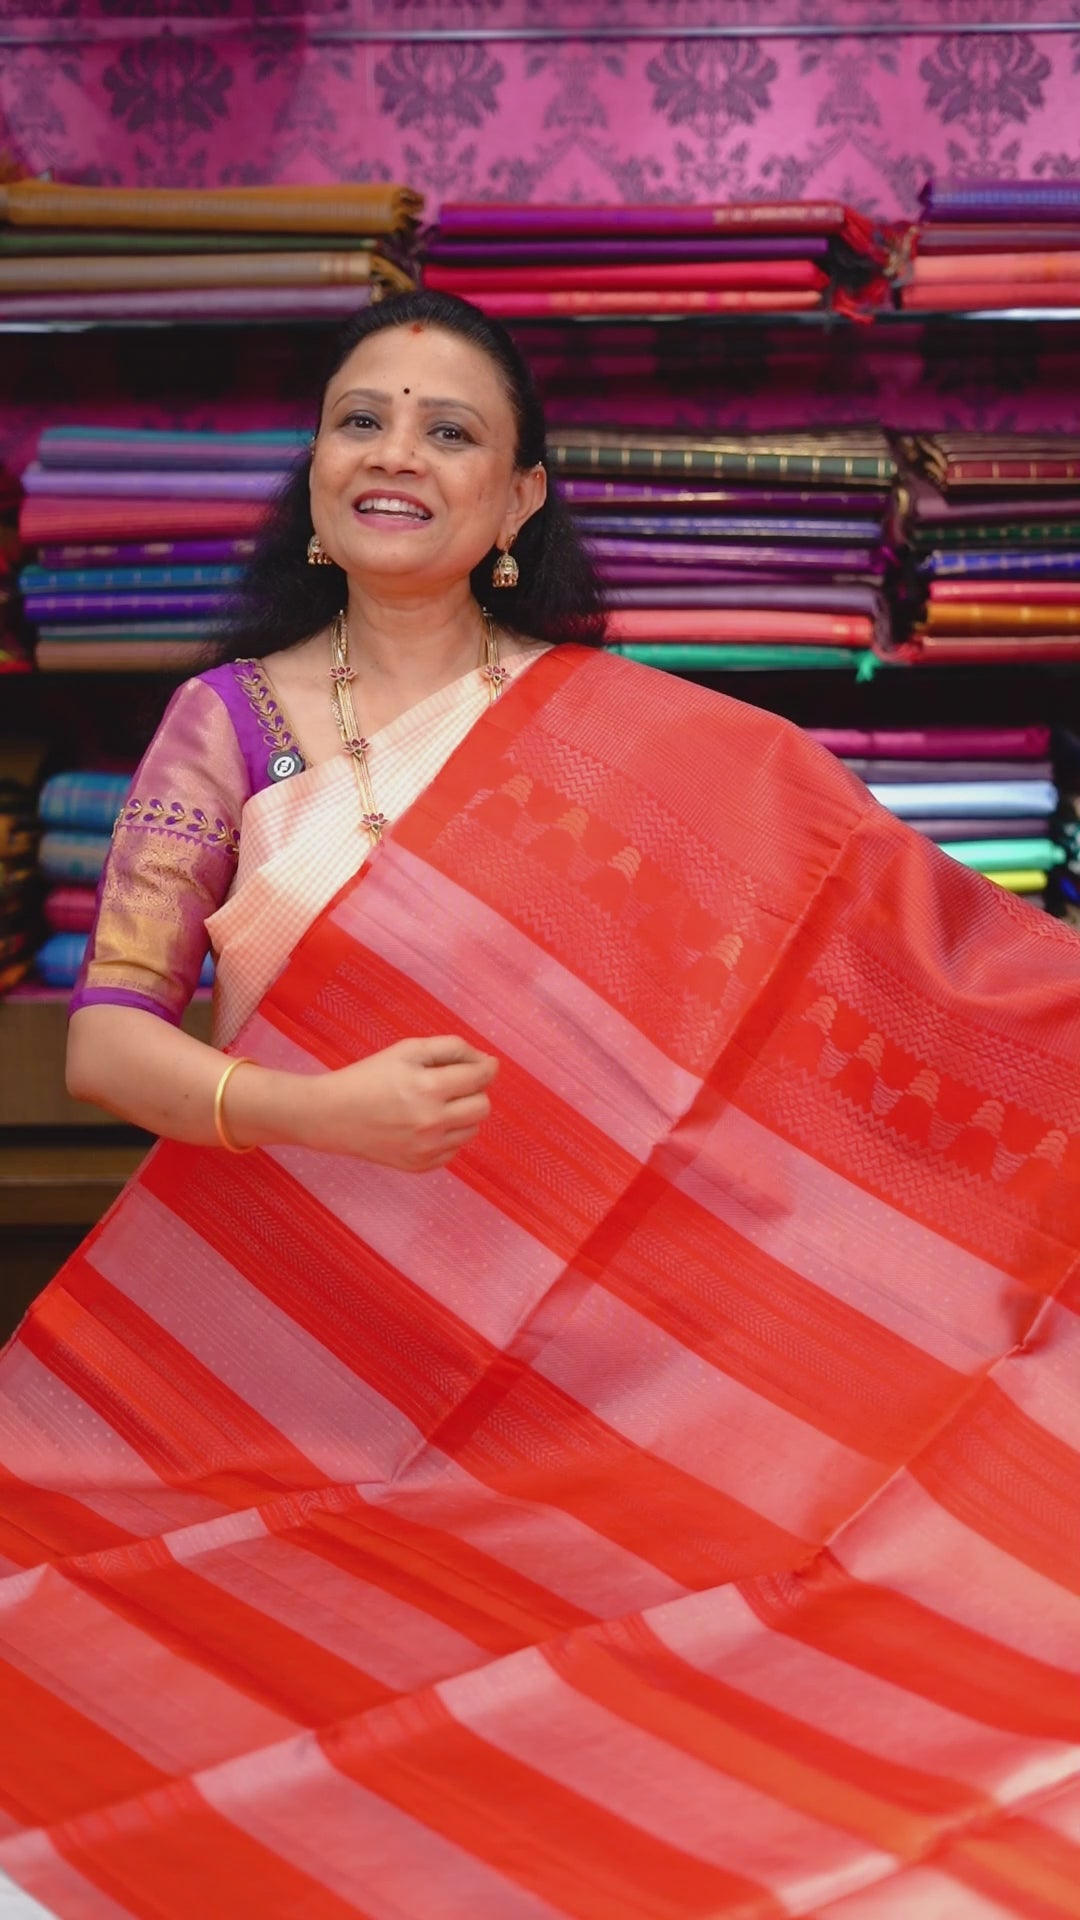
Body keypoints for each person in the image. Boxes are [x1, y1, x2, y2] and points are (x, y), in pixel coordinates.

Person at [2, 290, 1079, 1919]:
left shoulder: (629, 739)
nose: (397, 456)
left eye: (452, 432)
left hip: (598, 1382)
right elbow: (106, 1045)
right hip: (301, 1351)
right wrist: (316, 1105)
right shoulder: (219, 730)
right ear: (311, 470)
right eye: (362, 418)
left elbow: (878, 942)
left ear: (519, 501)